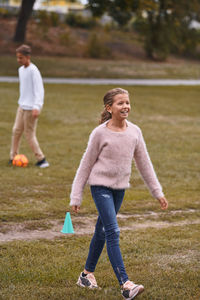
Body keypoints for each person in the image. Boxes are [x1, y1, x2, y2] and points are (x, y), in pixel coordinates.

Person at [70, 87, 168, 300]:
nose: (125, 106)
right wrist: (76, 196)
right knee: (112, 231)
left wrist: (157, 192)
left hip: (119, 189)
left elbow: (144, 163)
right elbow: (85, 165)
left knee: (102, 231)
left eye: (127, 103)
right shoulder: (99, 133)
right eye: (120, 103)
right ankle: (125, 284)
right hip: (100, 187)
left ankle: (86, 275)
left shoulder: (135, 132)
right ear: (109, 107)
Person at [9, 44, 49, 168]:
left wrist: (37, 106)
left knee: (29, 134)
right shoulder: (21, 70)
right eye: (17, 57)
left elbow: (39, 90)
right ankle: (13, 157)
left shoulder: (34, 70)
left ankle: (42, 159)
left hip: (32, 108)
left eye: (21, 58)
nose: (18, 60)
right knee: (16, 131)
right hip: (22, 106)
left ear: (28, 57)